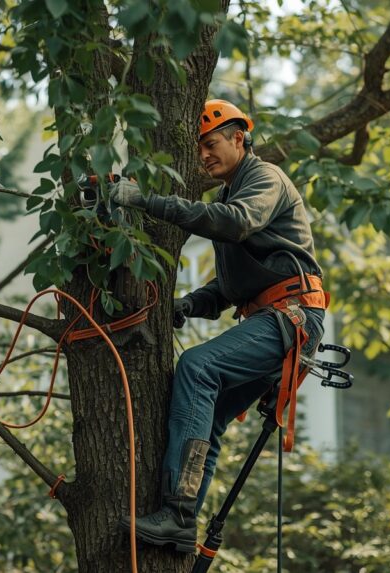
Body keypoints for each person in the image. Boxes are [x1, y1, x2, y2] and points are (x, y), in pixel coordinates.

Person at [110, 99, 328, 552]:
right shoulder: (231, 196)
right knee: (205, 422)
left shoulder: (264, 180)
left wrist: (146, 202)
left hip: (292, 317)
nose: (205, 155)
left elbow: (234, 224)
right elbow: (231, 286)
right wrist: (187, 306)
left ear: (238, 138)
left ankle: (175, 512)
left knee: (197, 367)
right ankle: (181, 522)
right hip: (272, 316)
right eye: (200, 149)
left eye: (211, 144)